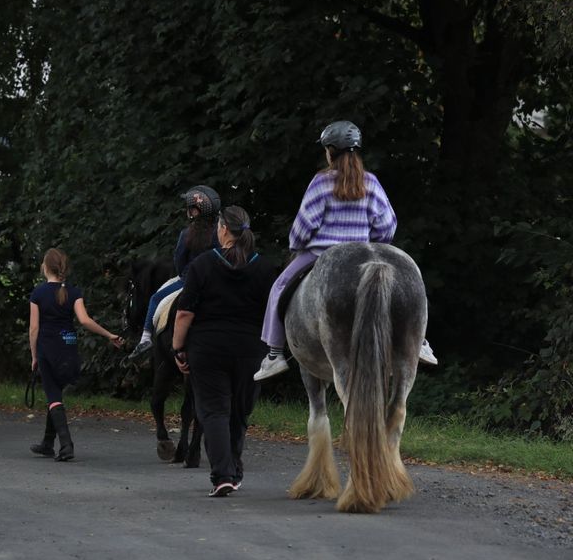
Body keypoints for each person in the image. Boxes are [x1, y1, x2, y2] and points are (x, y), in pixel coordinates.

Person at [255, 120, 437, 382]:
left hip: (320, 254)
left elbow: (303, 226)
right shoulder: (371, 182)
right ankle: (420, 341)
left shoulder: (320, 183)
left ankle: (274, 355)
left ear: (330, 150)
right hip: (364, 251)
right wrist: (371, 243)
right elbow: (387, 225)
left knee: (279, 287)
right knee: (410, 282)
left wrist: (296, 244)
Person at [172, 206, 274, 496]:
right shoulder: (265, 268)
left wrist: (178, 347)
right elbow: (272, 314)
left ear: (224, 230)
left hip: (208, 348)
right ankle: (235, 469)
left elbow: (184, 313)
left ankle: (223, 476)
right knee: (239, 411)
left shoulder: (203, 265)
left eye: (218, 226)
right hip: (252, 349)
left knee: (214, 411)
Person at [29, 248, 124, 461]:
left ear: (45, 267)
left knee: (53, 396)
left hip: (47, 349)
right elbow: (84, 320)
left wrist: (34, 356)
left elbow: (34, 329)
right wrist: (109, 335)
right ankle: (47, 443)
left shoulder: (38, 293)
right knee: (56, 395)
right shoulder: (73, 292)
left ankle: (66, 445)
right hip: (69, 348)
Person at [127, 185, 221, 362]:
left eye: (189, 208)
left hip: (189, 280)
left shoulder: (186, 234)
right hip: (219, 279)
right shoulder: (221, 232)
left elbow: (179, 261)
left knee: (155, 298)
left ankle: (146, 338)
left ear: (195, 211)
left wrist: (185, 273)